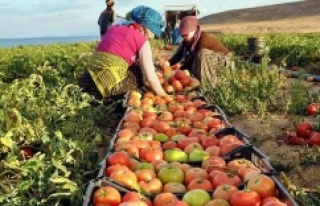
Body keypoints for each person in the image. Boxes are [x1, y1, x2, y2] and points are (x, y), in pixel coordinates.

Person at [79, 5, 167, 101]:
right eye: (153, 33)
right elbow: (150, 77)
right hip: (110, 89)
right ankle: (113, 98)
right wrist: (164, 96)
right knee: (140, 72)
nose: (151, 37)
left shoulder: (115, 28)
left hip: (87, 80)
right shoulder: (142, 40)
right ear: (147, 28)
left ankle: (92, 94)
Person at [162, 16, 232, 86]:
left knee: (201, 54)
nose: (184, 37)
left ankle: (209, 84)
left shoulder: (203, 40)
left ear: (194, 30)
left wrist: (179, 70)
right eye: (182, 35)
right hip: (210, 59)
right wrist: (168, 63)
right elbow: (179, 54)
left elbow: (193, 59)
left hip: (223, 60)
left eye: (186, 35)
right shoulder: (188, 40)